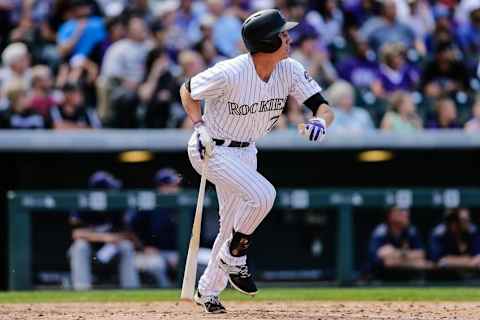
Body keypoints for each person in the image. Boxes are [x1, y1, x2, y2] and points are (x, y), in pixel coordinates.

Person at [179, 9, 334, 313]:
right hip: (212, 149)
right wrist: (199, 126)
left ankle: (208, 292)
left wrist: (321, 122)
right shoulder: (231, 71)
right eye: (282, 34)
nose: (288, 38)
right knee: (264, 195)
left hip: (246, 150)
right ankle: (234, 256)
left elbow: (322, 105)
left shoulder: (288, 69)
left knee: (231, 225)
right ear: (267, 41)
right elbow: (187, 90)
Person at [69, 171, 140, 290]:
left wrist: (115, 238)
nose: (114, 192)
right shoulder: (84, 206)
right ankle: (82, 290)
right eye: (110, 189)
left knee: (126, 246)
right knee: (80, 246)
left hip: (112, 250)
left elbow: (129, 233)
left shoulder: (118, 206)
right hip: (90, 250)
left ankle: (130, 289)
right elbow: (76, 233)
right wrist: (105, 237)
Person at [368, 207, 430, 281]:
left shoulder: (411, 231)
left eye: (405, 211)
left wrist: (397, 254)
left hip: (407, 275)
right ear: (390, 215)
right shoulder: (381, 232)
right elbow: (380, 259)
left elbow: (421, 254)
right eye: (401, 211)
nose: (406, 214)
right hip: (382, 277)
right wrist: (410, 259)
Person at [429, 208, 480, 280]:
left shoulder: (472, 231)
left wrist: (453, 260)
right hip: (443, 276)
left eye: (467, 220)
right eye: (462, 220)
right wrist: (466, 260)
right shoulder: (440, 232)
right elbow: (439, 261)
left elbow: (477, 258)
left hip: (470, 275)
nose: (465, 223)